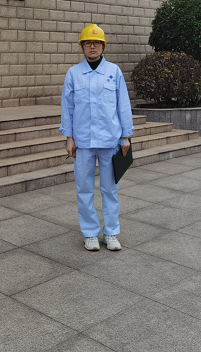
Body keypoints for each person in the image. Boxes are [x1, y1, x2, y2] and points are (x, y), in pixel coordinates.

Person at [59, 24, 134, 251]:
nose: (92, 47)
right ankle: (90, 233)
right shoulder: (73, 74)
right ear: (82, 47)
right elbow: (67, 108)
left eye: (97, 43)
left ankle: (111, 232)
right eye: (88, 43)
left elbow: (123, 105)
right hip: (83, 141)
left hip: (110, 140)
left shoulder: (114, 71)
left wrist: (126, 136)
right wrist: (69, 138)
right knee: (84, 189)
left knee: (110, 190)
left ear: (103, 46)